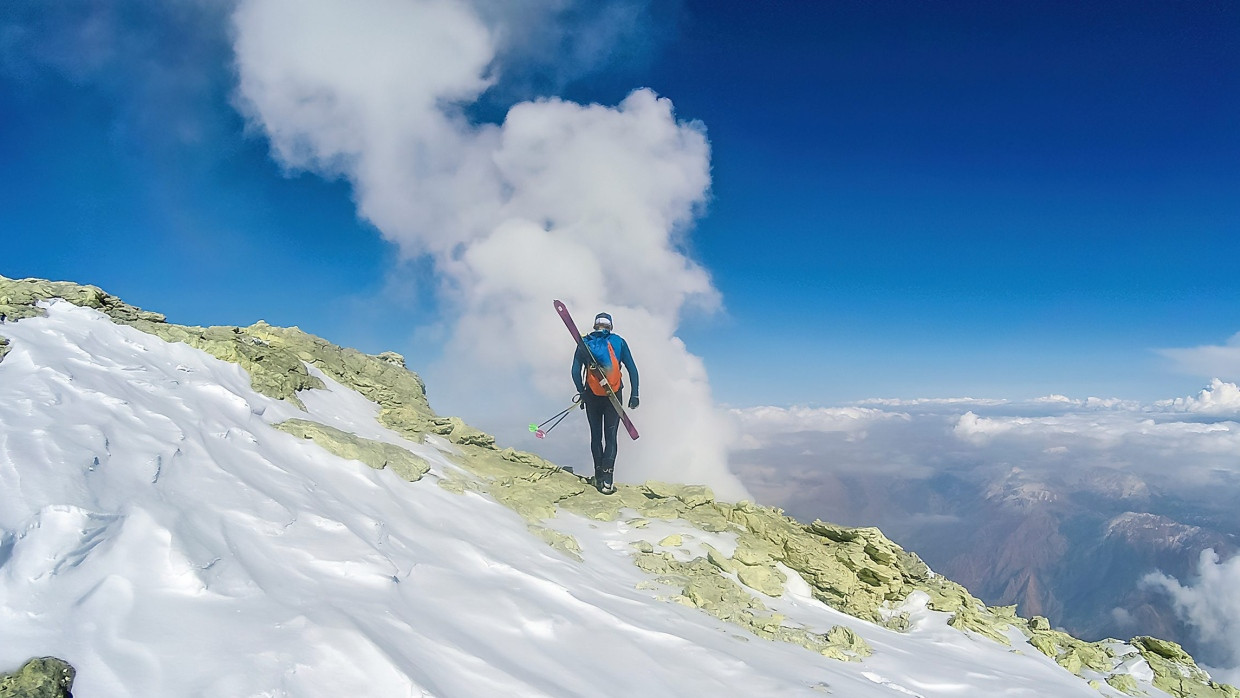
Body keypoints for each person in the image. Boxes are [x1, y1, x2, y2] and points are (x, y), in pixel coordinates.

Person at [572, 312, 639, 495]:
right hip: (614, 395)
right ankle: (608, 480)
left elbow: (575, 370)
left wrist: (582, 392)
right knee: (611, 437)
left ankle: (598, 476)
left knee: (596, 436)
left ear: (595, 326)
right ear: (610, 326)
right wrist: (635, 395)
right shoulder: (619, 342)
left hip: (591, 394)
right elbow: (632, 369)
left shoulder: (585, 343)